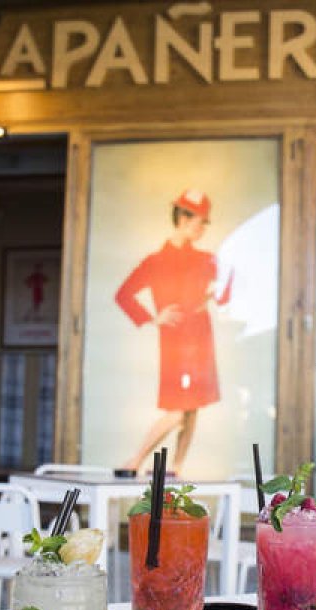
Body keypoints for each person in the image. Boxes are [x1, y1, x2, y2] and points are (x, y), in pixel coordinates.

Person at [115, 188, 233, 475]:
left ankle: (176, 468)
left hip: (201, 338)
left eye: (205, 222)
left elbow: (227, 291)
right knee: (179, 409)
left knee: (194, 406)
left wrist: (212, 295)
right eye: (199, 221)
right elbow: (124, 295)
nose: (202, 227)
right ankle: (136, 460)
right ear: (182, 217)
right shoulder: (156, 261)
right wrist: (154, 319)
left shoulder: (207, 259)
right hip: (177, 341)